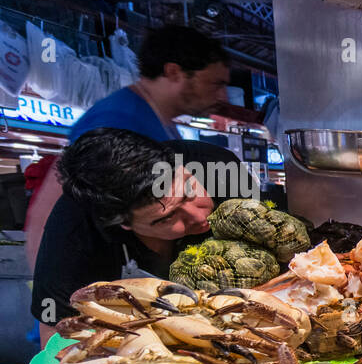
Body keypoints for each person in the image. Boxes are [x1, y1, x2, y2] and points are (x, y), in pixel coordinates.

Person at [24, 24, 229, 274]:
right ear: (174, 73)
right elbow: (54, 215)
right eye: (215, 84)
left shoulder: (160, 124)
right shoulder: (118, 121)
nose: (223, 96)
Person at [30, 128, 243, 332]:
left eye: (189, 189)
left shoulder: (219, 169)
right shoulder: (74, 233)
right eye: (167, 217)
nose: (200, 215)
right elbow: (58, 327)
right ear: (124, 224)